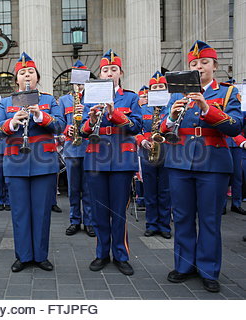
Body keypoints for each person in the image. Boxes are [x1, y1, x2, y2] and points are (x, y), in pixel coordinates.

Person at [160, 40, 242, 292]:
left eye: (204, 63)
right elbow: (163, 129)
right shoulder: (176, 94)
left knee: (209, 219)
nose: (199, 67)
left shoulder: (227, 93)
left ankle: (208, 269)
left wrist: (207, 108)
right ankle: (184, 265)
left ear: (215, 66)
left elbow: (236, 126)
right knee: (183, 217)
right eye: (194, 64)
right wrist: (172, 116)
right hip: (179, 161)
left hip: (213, 163)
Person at [0, 52, 66, 272]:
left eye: (31, 72)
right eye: (22, 73)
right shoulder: (6, 102)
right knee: (20, 212)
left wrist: (40, 116)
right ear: (16, 79)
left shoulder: (47, 100)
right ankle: (23, 256)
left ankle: (40, 255)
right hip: (15, 163)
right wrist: (12, 121)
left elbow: (60, 126)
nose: (27, 76)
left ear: (37, 77)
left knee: (42, 212)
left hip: (43, 163)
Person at [81, 49, 141, 276]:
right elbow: (81, 131)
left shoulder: (131, 98)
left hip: (121, 161)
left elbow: (136, 126)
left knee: (118, 211)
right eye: (105, 70)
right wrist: (92, 119)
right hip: (96, 160)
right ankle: (101, 253)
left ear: (120, 73)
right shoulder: (90, 97)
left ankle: (121, 254)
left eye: (113, 70)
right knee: (98, 211)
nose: (108, 74)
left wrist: (114, 113)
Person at [59, 60, 94, 237]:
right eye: (76, 82)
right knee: (73, 188)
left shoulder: (93, 98)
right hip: (71, 147)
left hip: (89, 147)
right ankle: (74, 220)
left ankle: (88, 221)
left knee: (88, 188)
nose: (79, 86)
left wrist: (86, 112)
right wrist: (67, 129)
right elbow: (59, 124)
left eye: (82, 82)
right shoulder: (64, 100)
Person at [135, 71, 172, 239]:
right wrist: (142, 141)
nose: (157, 89)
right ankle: (151, 224)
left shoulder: (172, 108)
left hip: (166, 151)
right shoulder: (143, 108)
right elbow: (136, 130)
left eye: (160, 87)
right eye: (154, 87)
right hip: (147, 151)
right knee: (149, 191)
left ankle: (164, 226)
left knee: (165, 191)